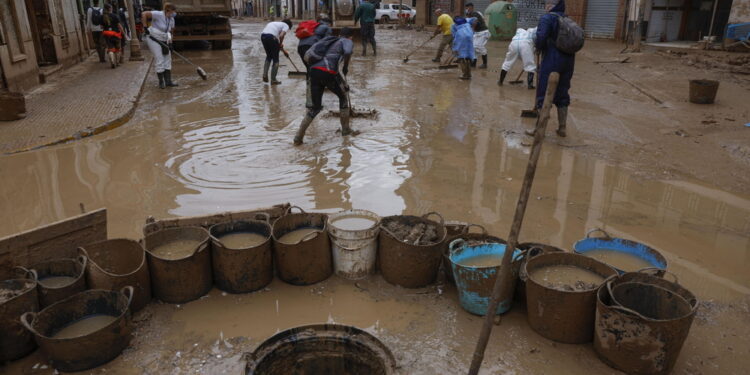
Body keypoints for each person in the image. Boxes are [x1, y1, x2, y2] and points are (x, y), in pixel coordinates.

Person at [294, 27, 356, 145]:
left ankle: (298, 137)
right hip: (327, 72)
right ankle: (346, 131)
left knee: (315, 108)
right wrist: (346, 66)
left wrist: (343, 83)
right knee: (343, 98)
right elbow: (347, 52)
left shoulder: (331, 42)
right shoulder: (346, 41)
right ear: (350, 36)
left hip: (314, 72)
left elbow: (333, 70)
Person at [532, 0, 575, 137]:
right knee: (562, 92)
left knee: (543, 92)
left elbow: (541, 36)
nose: (546, 6)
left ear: (551, 6)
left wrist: (538, 47)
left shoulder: (547, 18)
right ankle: (562, 128)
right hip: (568, 61)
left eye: (547, 4)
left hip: (552, 59)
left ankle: (539, 130)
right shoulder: (567, 19)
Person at [297, 16, 332, 108]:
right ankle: (313, 102)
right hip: (312, 48)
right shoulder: (327, 28)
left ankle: (309, 101)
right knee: (315, 73)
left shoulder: (313, 26)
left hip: (301, 47)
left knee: (310, 71)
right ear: (329, 23)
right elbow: (327, 41)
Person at [143, 2, 179, 89]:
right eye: (173, 11)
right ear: (168, 10)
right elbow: (144, 14)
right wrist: (145, 28)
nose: (174, 13)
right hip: (153, 38)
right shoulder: (158, 14)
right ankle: (161, 82)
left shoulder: (171, 20)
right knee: (159, 58)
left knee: (168, 59)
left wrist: (170, 43)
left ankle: (168, 81)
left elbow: (170, 32)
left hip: (164, 39)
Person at [260, 19, 293, 84]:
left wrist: (282, 49)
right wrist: (280, 44)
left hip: (263, 36)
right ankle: (273, 80)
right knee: (276, 59)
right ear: (288, 25)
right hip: (271, 37)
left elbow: (276, 42)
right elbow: (281, 36)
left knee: (269, 56)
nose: (287, 30)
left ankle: (265, 75)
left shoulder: (274, 23)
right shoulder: (286, 25)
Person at [464, 3, 489, 69]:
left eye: (468, 8)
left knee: (478, 46)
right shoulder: (470, 15)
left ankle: (485, 64)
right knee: (473, 48)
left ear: (471, 7)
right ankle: (473, 64)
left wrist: (472, 30)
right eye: (466, 8)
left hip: (483, 32)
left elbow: (475, 22)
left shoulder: (474, 13)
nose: (467, 9)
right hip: (478, 33)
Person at [102, 4, 125, 68]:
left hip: (107, 35)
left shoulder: (103, 17)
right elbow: (119, 25)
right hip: (116, 34)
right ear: (110, 8)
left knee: (110, 49)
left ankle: (112, 61)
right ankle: (117, 63)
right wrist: (123, 33)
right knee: (118, 49)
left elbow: (101, 26)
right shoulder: (115, 16)